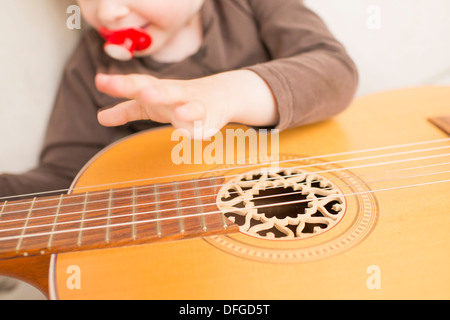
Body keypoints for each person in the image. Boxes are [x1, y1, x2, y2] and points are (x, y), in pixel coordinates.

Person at [0, 0, 358, 199]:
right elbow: (68, 178)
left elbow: (335, 72)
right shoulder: (94, 63)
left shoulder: (254, 5)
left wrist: (228, 94)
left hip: (305, 191)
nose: (107, 12)